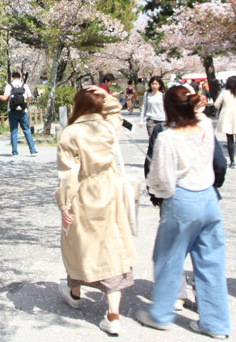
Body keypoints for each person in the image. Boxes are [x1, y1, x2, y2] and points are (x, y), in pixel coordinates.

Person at [138, 86, 230, 338]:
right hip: (209, 197)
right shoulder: (205, 126)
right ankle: (216, 323)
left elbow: (163, 180)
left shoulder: (168, 137)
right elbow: (218, 162)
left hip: (182, 199)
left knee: (168, 258)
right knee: (210, 262)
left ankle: (161, 313)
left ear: (168, 109)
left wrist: (154, 193)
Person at [56, 86, 136, 337]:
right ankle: (113, 314)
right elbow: (116, 112)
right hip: (109, 188)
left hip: (84, 190)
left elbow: (68, 175)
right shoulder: (107, 128)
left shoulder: (70, 133)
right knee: (112, 246)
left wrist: (64, 204)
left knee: (78, 244)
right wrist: (106, 96)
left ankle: (75, 292)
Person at [0, 72, 36, 156]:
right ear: (20, 78)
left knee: (14, 131)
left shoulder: (9, 86)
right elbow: (29, 98)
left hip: (11, 111)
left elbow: (5, 98)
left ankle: (15, 152)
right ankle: (32, 150)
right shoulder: (25, 86)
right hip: (23, 112)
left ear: (12, 78)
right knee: (27, 130)